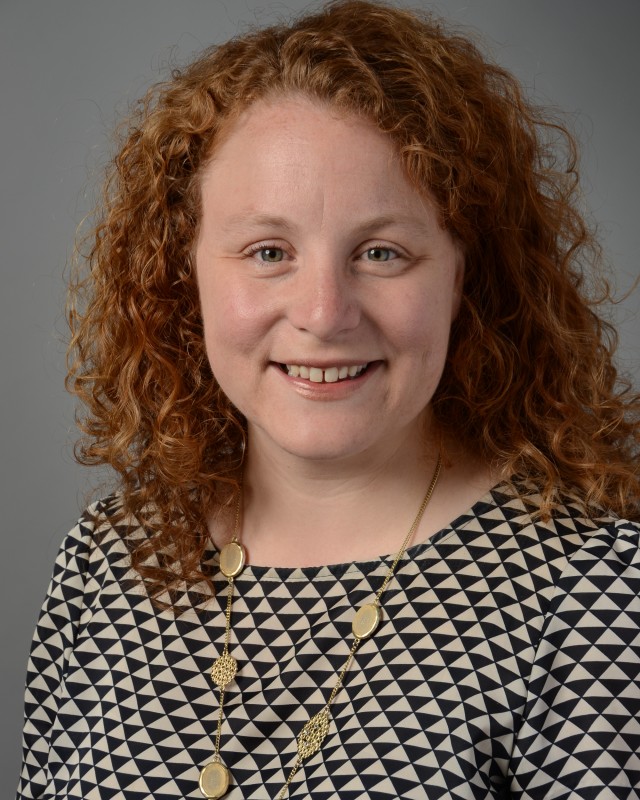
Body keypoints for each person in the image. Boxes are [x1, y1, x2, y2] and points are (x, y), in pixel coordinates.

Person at [17, 0, 640, 798]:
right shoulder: (108, 564)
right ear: (186, 278)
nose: (323, 312)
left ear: (463, 278)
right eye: (268, 251)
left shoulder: (589, 594)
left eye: (382, 252)